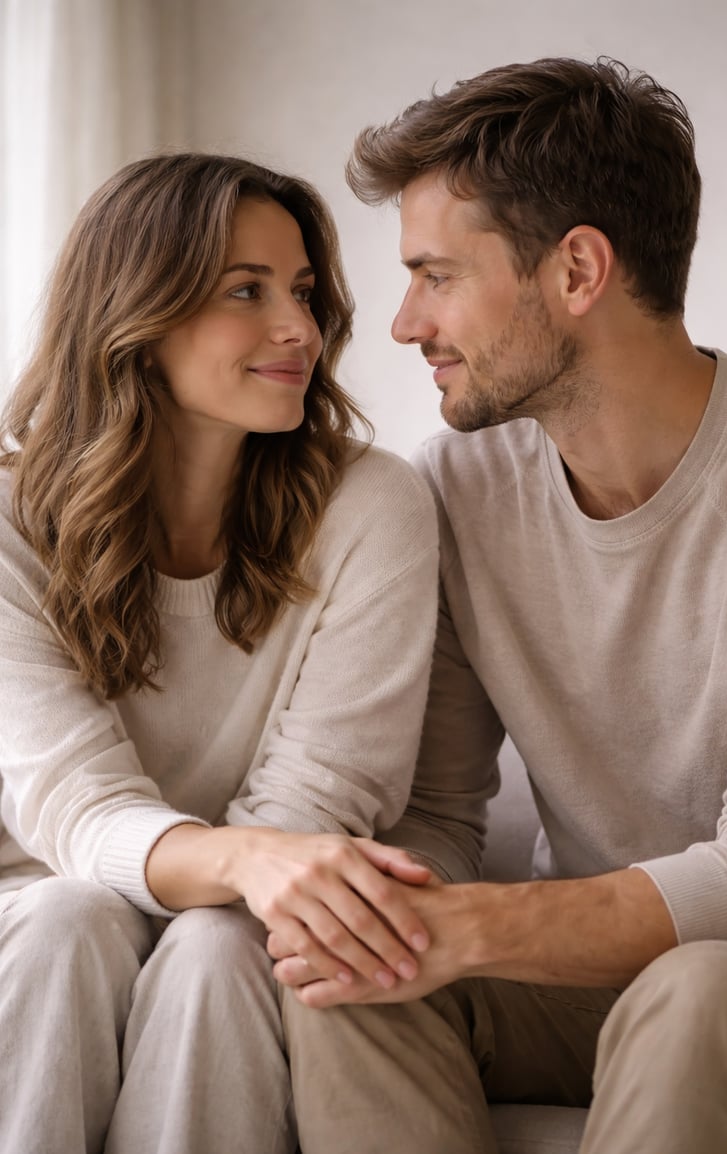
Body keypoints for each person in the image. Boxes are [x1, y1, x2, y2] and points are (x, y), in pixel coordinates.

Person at [269, 58, 727, 1153]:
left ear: (577, 269)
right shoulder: (460, 490)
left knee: (697, 991)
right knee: (353, 979)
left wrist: (478, 922)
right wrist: (381, 915)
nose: (405, 323)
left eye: (437, 276)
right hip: (584, 980)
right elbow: (443, 814)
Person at [0, 151, 441, 1154]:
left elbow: (317, 805)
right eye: (247, 291)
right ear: (136, 315)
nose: (299, 330)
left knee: (216, 944)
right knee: (73, 919)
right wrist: (244, 859)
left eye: (304, 292)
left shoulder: (373, 506)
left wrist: (248, 869)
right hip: (42, 907)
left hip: (242, 919)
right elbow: (74, 809)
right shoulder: (11, 523)